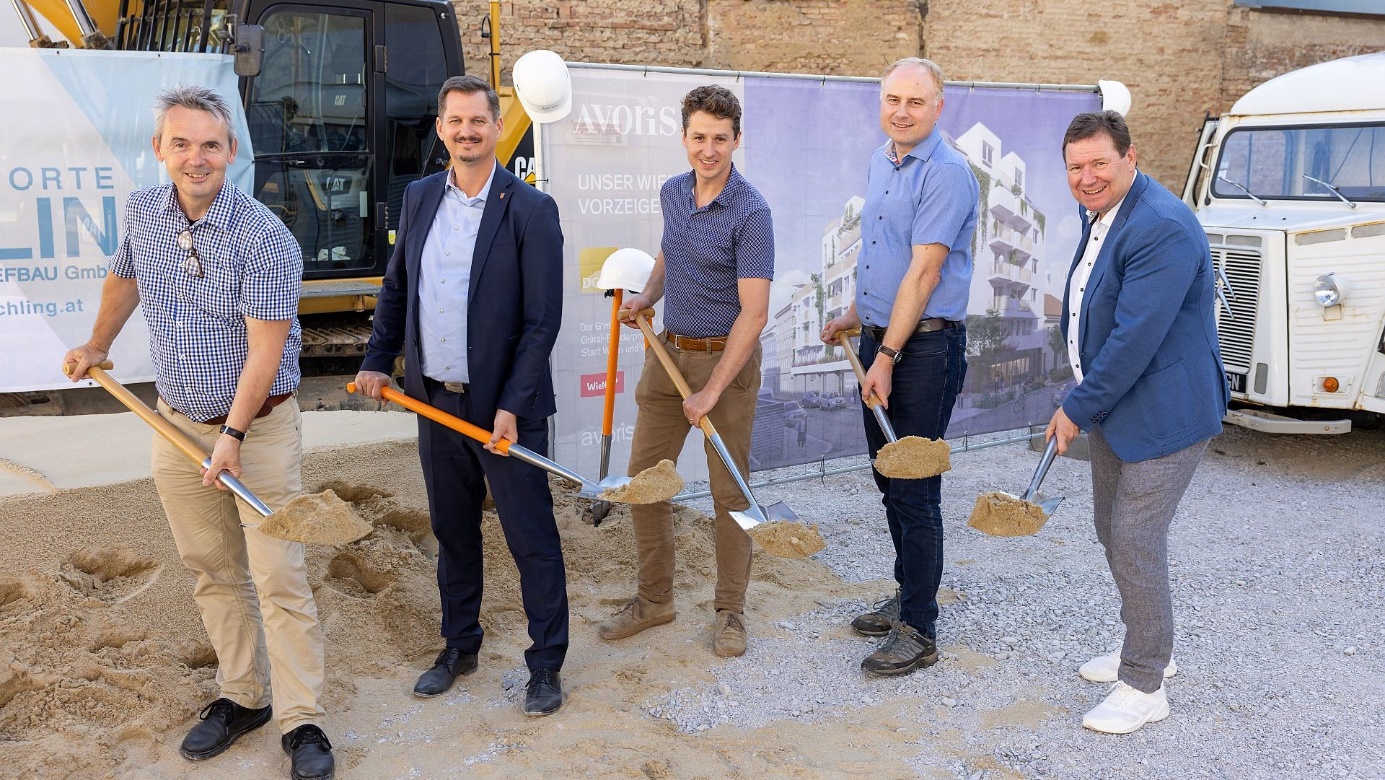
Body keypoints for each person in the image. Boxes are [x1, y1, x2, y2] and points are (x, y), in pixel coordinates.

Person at [62, 85, 334, 779]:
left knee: (279, 577)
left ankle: (302, 721)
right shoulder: (143, 213)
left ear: (230, 153)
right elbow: (125, 279)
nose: (195, 157)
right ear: (160, 150)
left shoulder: (265, 238)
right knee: (212, 571)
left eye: (210, 144)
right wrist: (97, 343)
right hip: (175, 424)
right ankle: (242, 697)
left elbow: (266, 349)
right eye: (180, 143)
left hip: (258, 430)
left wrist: (234, 436)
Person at [353, 75, 567, 716]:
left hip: (503, 407)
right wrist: (375, 360)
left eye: (479, 122)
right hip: (433, 403)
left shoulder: (530, 209)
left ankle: (546, 664)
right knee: (452, 530)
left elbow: (541, 321)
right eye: (456, 122)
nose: (467, 132)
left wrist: (512, 402)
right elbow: (397, 291)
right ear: (441, 128)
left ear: (497, 127)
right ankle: (458, 645)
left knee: (531, 537)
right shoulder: (418, 198)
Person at [1045, 110, 1228, 734]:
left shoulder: (1162, 226)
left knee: (1134, 540)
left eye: (1100, 163)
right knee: (1110, 530)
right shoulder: (1101, 212)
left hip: (1167, 412)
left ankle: (1145, 681)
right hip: (1119, 405)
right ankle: (1153, 646)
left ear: (1130, 157)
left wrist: (1074, 405)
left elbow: (1134, 338)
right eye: (1076, 167)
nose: (1087, 177)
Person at [597, 85, 774, 658]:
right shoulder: (674, 192)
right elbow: (671, 253)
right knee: (644, 484)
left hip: (727, 361)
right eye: (699, 137)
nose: (708, 149)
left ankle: (730, 611)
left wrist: (712, 388)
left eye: (720, 139)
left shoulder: (752, 213)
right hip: (667, 354)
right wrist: (648, 297)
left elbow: (755, 313)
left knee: (731, 495)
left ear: (736, 141)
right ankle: (655, 600)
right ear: (684, 138)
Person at [820, 57, 978, 677]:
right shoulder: (882, 162)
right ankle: (908, 593)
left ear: (939, 106)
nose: (902, 111)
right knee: (890, 479)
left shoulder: (947, 173)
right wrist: (856, 317)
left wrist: (885, 357)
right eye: (892, 99)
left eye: (915, 101)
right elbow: (883, 255)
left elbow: (925, 272)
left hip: (925, 351)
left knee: (914, 489)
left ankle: (919, 628)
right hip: (883, 340)